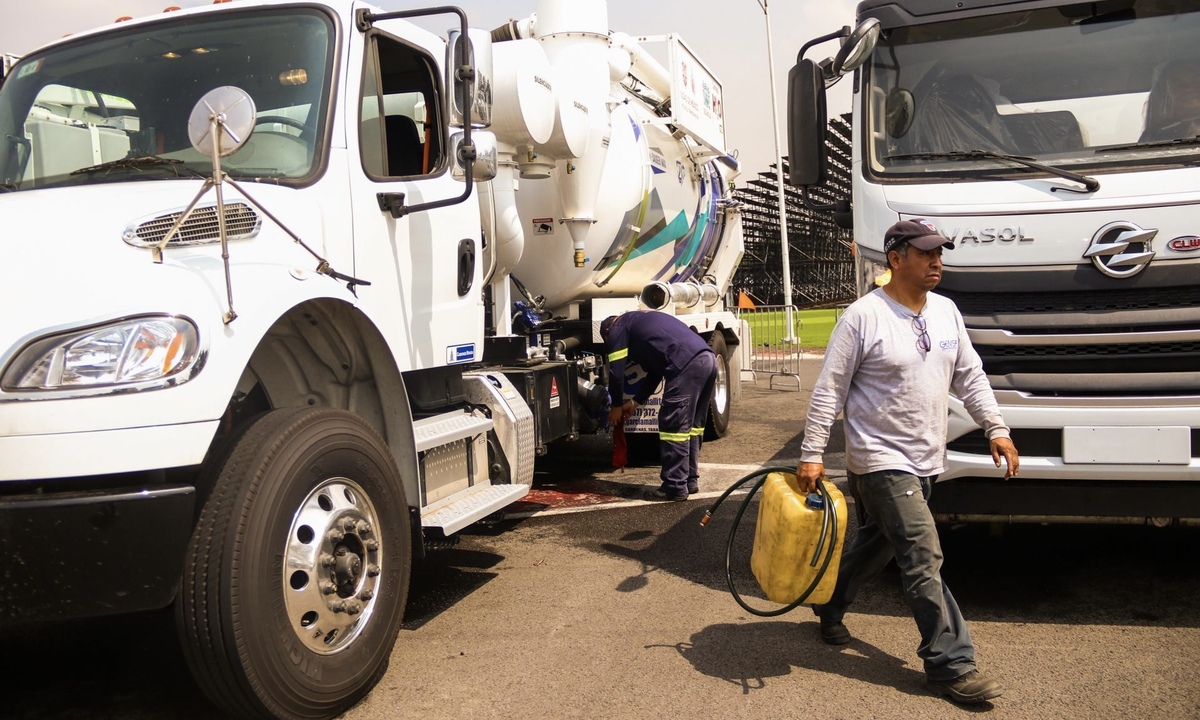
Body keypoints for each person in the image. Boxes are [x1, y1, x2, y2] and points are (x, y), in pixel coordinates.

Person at [796, 218, 1020, 705]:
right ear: (895, 259)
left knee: (877, 547)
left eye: (940, 253)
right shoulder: (863, 317)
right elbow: (829, 390)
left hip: (926, 456)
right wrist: (812, 453)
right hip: (878, 459)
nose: (937, 262)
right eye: (925, 253)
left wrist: (995, 427)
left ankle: (829, 604)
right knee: (922, 556)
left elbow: (971, 376)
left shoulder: (946, 312)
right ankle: (950, 664)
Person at [601, 310, 718, 501]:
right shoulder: (640, 325)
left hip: (685, 365)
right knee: (693, 427)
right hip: (707, 359)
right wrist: (635, 401)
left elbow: (616, 373)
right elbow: (655, 374)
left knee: (674, 427)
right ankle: (689, 479)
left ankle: (674, 486)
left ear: (607, 332)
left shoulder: (616, 327)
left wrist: (616, 405)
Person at [1140, 60, 1200, 143]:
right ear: (1169, 91)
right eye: (1179, 84)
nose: (1188, 88)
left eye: (1196, 81)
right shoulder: (1156, 135)